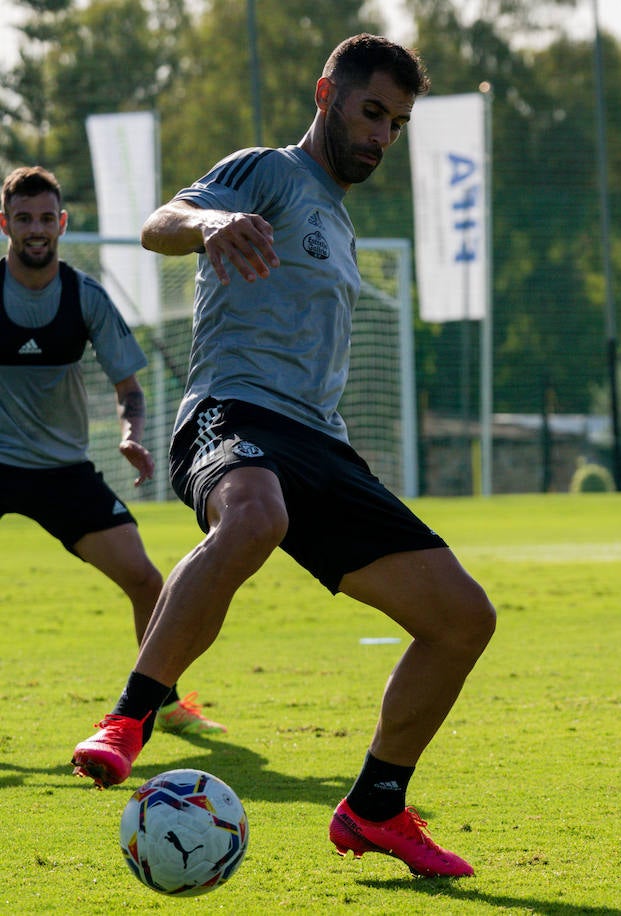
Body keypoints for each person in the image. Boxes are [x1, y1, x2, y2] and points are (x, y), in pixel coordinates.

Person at [70, 35, 496, 878]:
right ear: (326, 94)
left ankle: (377, 806)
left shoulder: (338, 222)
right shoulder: (267, 170)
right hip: (230, 412)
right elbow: (160, 225)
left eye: (397, 124)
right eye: (371, 112)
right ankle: (130, 716)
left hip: (319, 445)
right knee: (256, 516)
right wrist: (213, 222)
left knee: (463, 620)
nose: (381, 136)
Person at [0, 166, 224, 737]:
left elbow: (130, 390)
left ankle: (162, 704)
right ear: (5, 224)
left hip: (62, 471)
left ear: (61, 224)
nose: (35, 229)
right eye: (23, 218)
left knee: (147, 582)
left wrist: (131, 433)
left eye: (45, 218)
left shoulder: (86, 297)